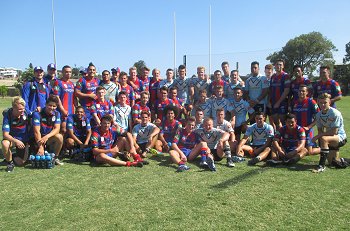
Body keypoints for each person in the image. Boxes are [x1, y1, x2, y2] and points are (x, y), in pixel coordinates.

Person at [311, 93, 347, 173]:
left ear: (329, 102)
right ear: (318, 103)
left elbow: (334, 132)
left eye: (325, 102)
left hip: (340, 137)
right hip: (328, 139)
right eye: (321, 103)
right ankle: (343, 161)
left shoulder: (334, 113)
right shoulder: (318, 115)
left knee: (323, 138)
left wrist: (318, 136)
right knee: (334, 163)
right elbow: (320, 130)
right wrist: (320, 141)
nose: (323, 105)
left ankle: (321, 166)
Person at [31, 95, 64, 166]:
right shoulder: (37, 114)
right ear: (45, 104)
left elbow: (57, 129)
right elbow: (36, 132)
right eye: (50, 105)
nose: (52, 108)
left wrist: (47, 136)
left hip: (47, 138)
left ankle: (55, 158)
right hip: (37, 139)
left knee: (59, 137)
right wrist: (41, 147)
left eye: (54, 106)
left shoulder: (57, 114)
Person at [2, 97, 31, 172]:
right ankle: (10, 163)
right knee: (5, 143)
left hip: (24, 140)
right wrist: (16, 141)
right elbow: (5, 134)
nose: (22, 111)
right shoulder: (8, 115)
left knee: (21, 163)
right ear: (13, 108)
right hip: (13, 140)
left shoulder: (26, 112)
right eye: (20, 109)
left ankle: (11, 155)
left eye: (23, 108)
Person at [292, 85, 320, 155]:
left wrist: (309, 127)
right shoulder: (294, 102)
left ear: (307, 92)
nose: (301, 92)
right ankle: (312, 145)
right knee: (294, 148)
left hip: (307, 130)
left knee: (309, 152)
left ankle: (322, 148)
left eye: (303, 91)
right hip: (297, 131)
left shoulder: (312, 102)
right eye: (300, 91)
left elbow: (318, 117)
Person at [51, 65, 76, 134]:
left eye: (70, 72)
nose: (68, 73)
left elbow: (74, 98)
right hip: (62, 111)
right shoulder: (58, 82)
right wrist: (62, 109)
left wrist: (77, 108)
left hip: (71, 111)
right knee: (63, 129)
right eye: (66, 72)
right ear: (62, 72)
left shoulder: (71, 84)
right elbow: (56, 97)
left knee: (70, 130)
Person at [269, 59, 291, 129]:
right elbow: (270, 90)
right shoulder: (273, 77)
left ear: (283, 66)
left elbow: (286, 91)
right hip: (273, 102)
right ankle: (279, 137)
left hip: (282, 103)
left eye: (280, 65)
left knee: (283, 121)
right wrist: (269, 101)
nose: (278, 66)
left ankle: (285, 138)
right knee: (276, 121)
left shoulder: (286, 76)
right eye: (277, 64)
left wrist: (278, 102)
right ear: (274, 66)